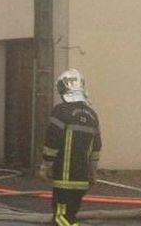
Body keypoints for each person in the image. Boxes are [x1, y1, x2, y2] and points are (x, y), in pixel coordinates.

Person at [40, 69, 102, 226]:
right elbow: (96, 148)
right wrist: (92, 172)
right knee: (71, 216)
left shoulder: (61, 111)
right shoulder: (92, 115)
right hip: (82, 179)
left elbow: (52, 141)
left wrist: (47, 165)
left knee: (61, 218)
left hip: (64, 178)